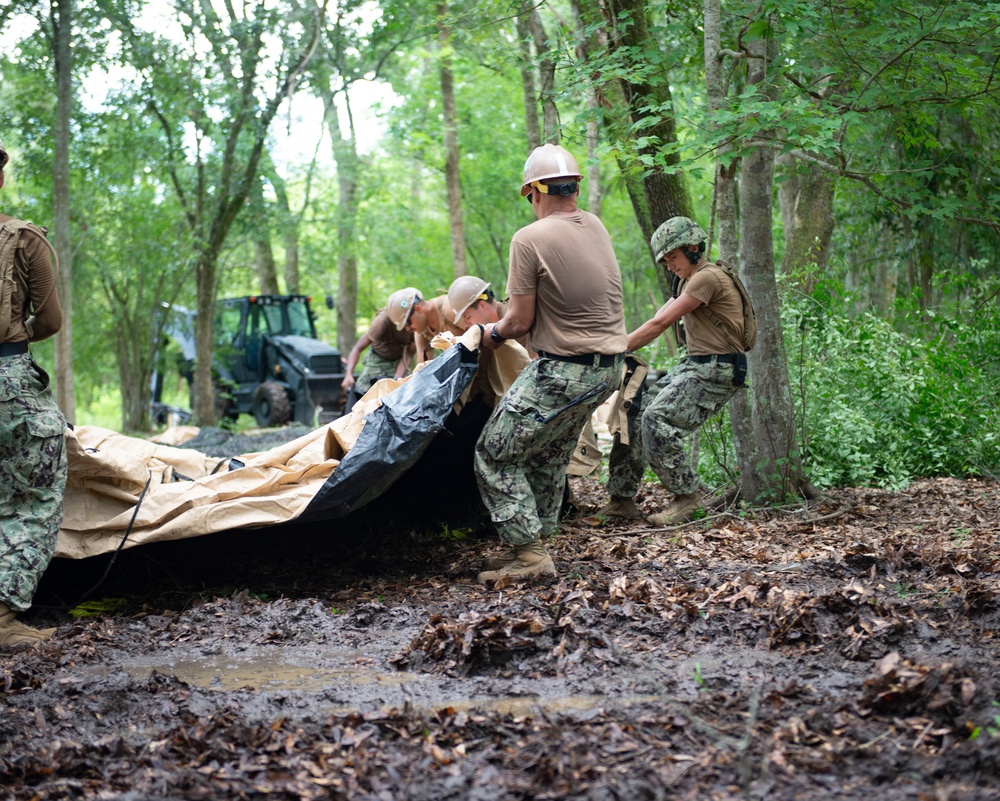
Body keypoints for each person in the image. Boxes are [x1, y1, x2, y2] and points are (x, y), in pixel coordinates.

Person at [475, 143, 627, 585]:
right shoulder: (595, 226)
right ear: (574, 189)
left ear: (534, 192)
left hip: (566, 371)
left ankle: (530, 555)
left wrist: (490, 336)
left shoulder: (529, 238)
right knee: (545, 456)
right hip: (607, 371)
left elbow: (520, 321)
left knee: (493, 454)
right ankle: (538, 548)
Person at [601, 216, 747, 525]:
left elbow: (660, 324)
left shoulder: (708, 278)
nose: (669, 265)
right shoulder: (685, 280)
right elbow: (660, 314)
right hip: (696, 364)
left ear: (693, 248)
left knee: (657, 419)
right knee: (634, 412)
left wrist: (614, 347)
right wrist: (616, 341)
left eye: (673, 257)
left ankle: (688, 498)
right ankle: (622, 498)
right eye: (665, 260)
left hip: (719, 368)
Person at [0, 139, 69, 648]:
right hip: (7, 380)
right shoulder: (23, 240)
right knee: (34, 494)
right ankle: (2, 616)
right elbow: (50, 321)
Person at [447, 274, 535, 356]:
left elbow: (536, 360)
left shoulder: (513, 319)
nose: (466, 325)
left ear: (482, 306)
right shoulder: (490, 334)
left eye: (467, 317)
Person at [340, 308, 416, 398]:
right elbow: (357, 348)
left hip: (400, 360)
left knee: (404, 393)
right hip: (376, 359)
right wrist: (349, 374)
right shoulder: (382, 321)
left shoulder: (415, 323)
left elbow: (409, 353)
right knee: (363, 393)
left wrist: (397, 378)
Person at [385, 286, 464, 364]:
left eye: (407, 323)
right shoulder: (422, 332)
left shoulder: (449, 308)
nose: (408, 328)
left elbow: (476, 332)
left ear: (418, 309)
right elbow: (422, 369)